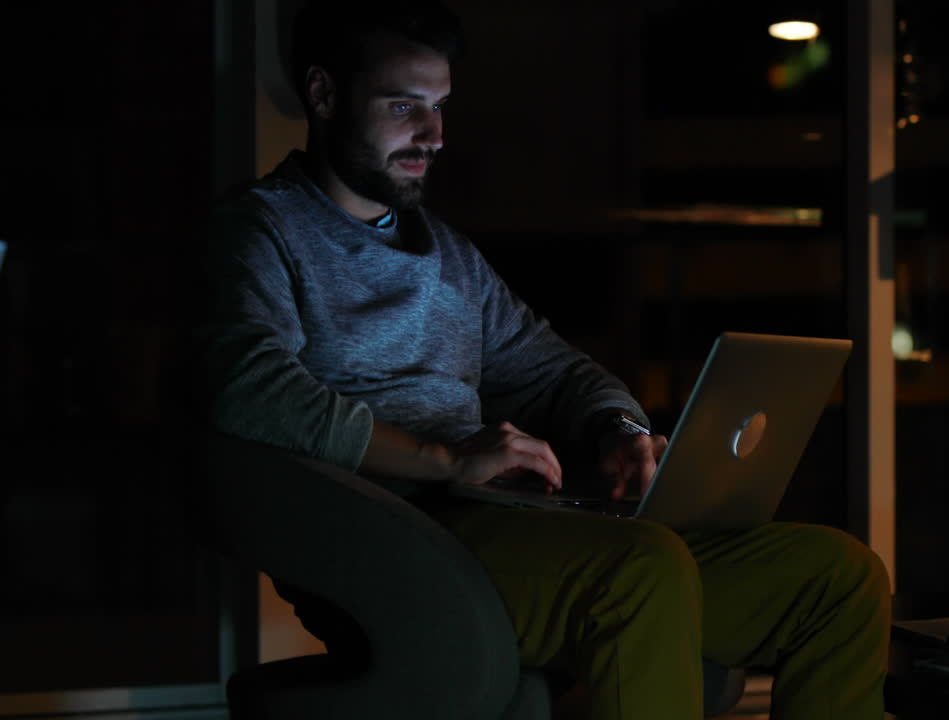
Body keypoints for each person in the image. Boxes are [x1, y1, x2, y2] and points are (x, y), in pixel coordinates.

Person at [200, 1, 890, 718]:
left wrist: (617, 426)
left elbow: (555, 369)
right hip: (399, 536)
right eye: (404, 106)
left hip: (500, 521)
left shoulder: (447, 256)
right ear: (322, 94)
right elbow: (251, 388)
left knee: (837, 576)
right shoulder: (262, 230)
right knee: (641, 569)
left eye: (439, 107)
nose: (433, 135)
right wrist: (445, 458)